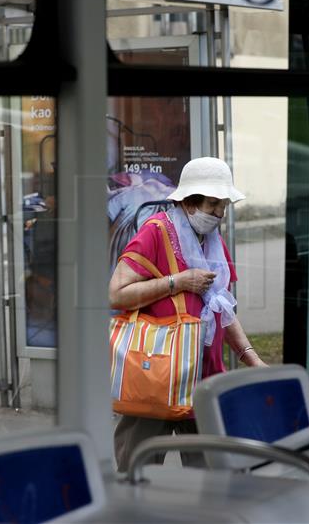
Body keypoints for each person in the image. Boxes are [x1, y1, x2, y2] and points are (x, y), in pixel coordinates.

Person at [108, 157, 268, 471]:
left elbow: (223, 309)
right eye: (213, 205)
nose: (220, 214)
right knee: (137, 475)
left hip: (204, 378)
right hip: (156, 376)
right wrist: (178, 282)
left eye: (223, 205)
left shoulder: (213, 242)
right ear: (189, 202)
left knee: (212, 479)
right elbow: (116, 293)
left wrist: (250, 356)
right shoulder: (155, 233)